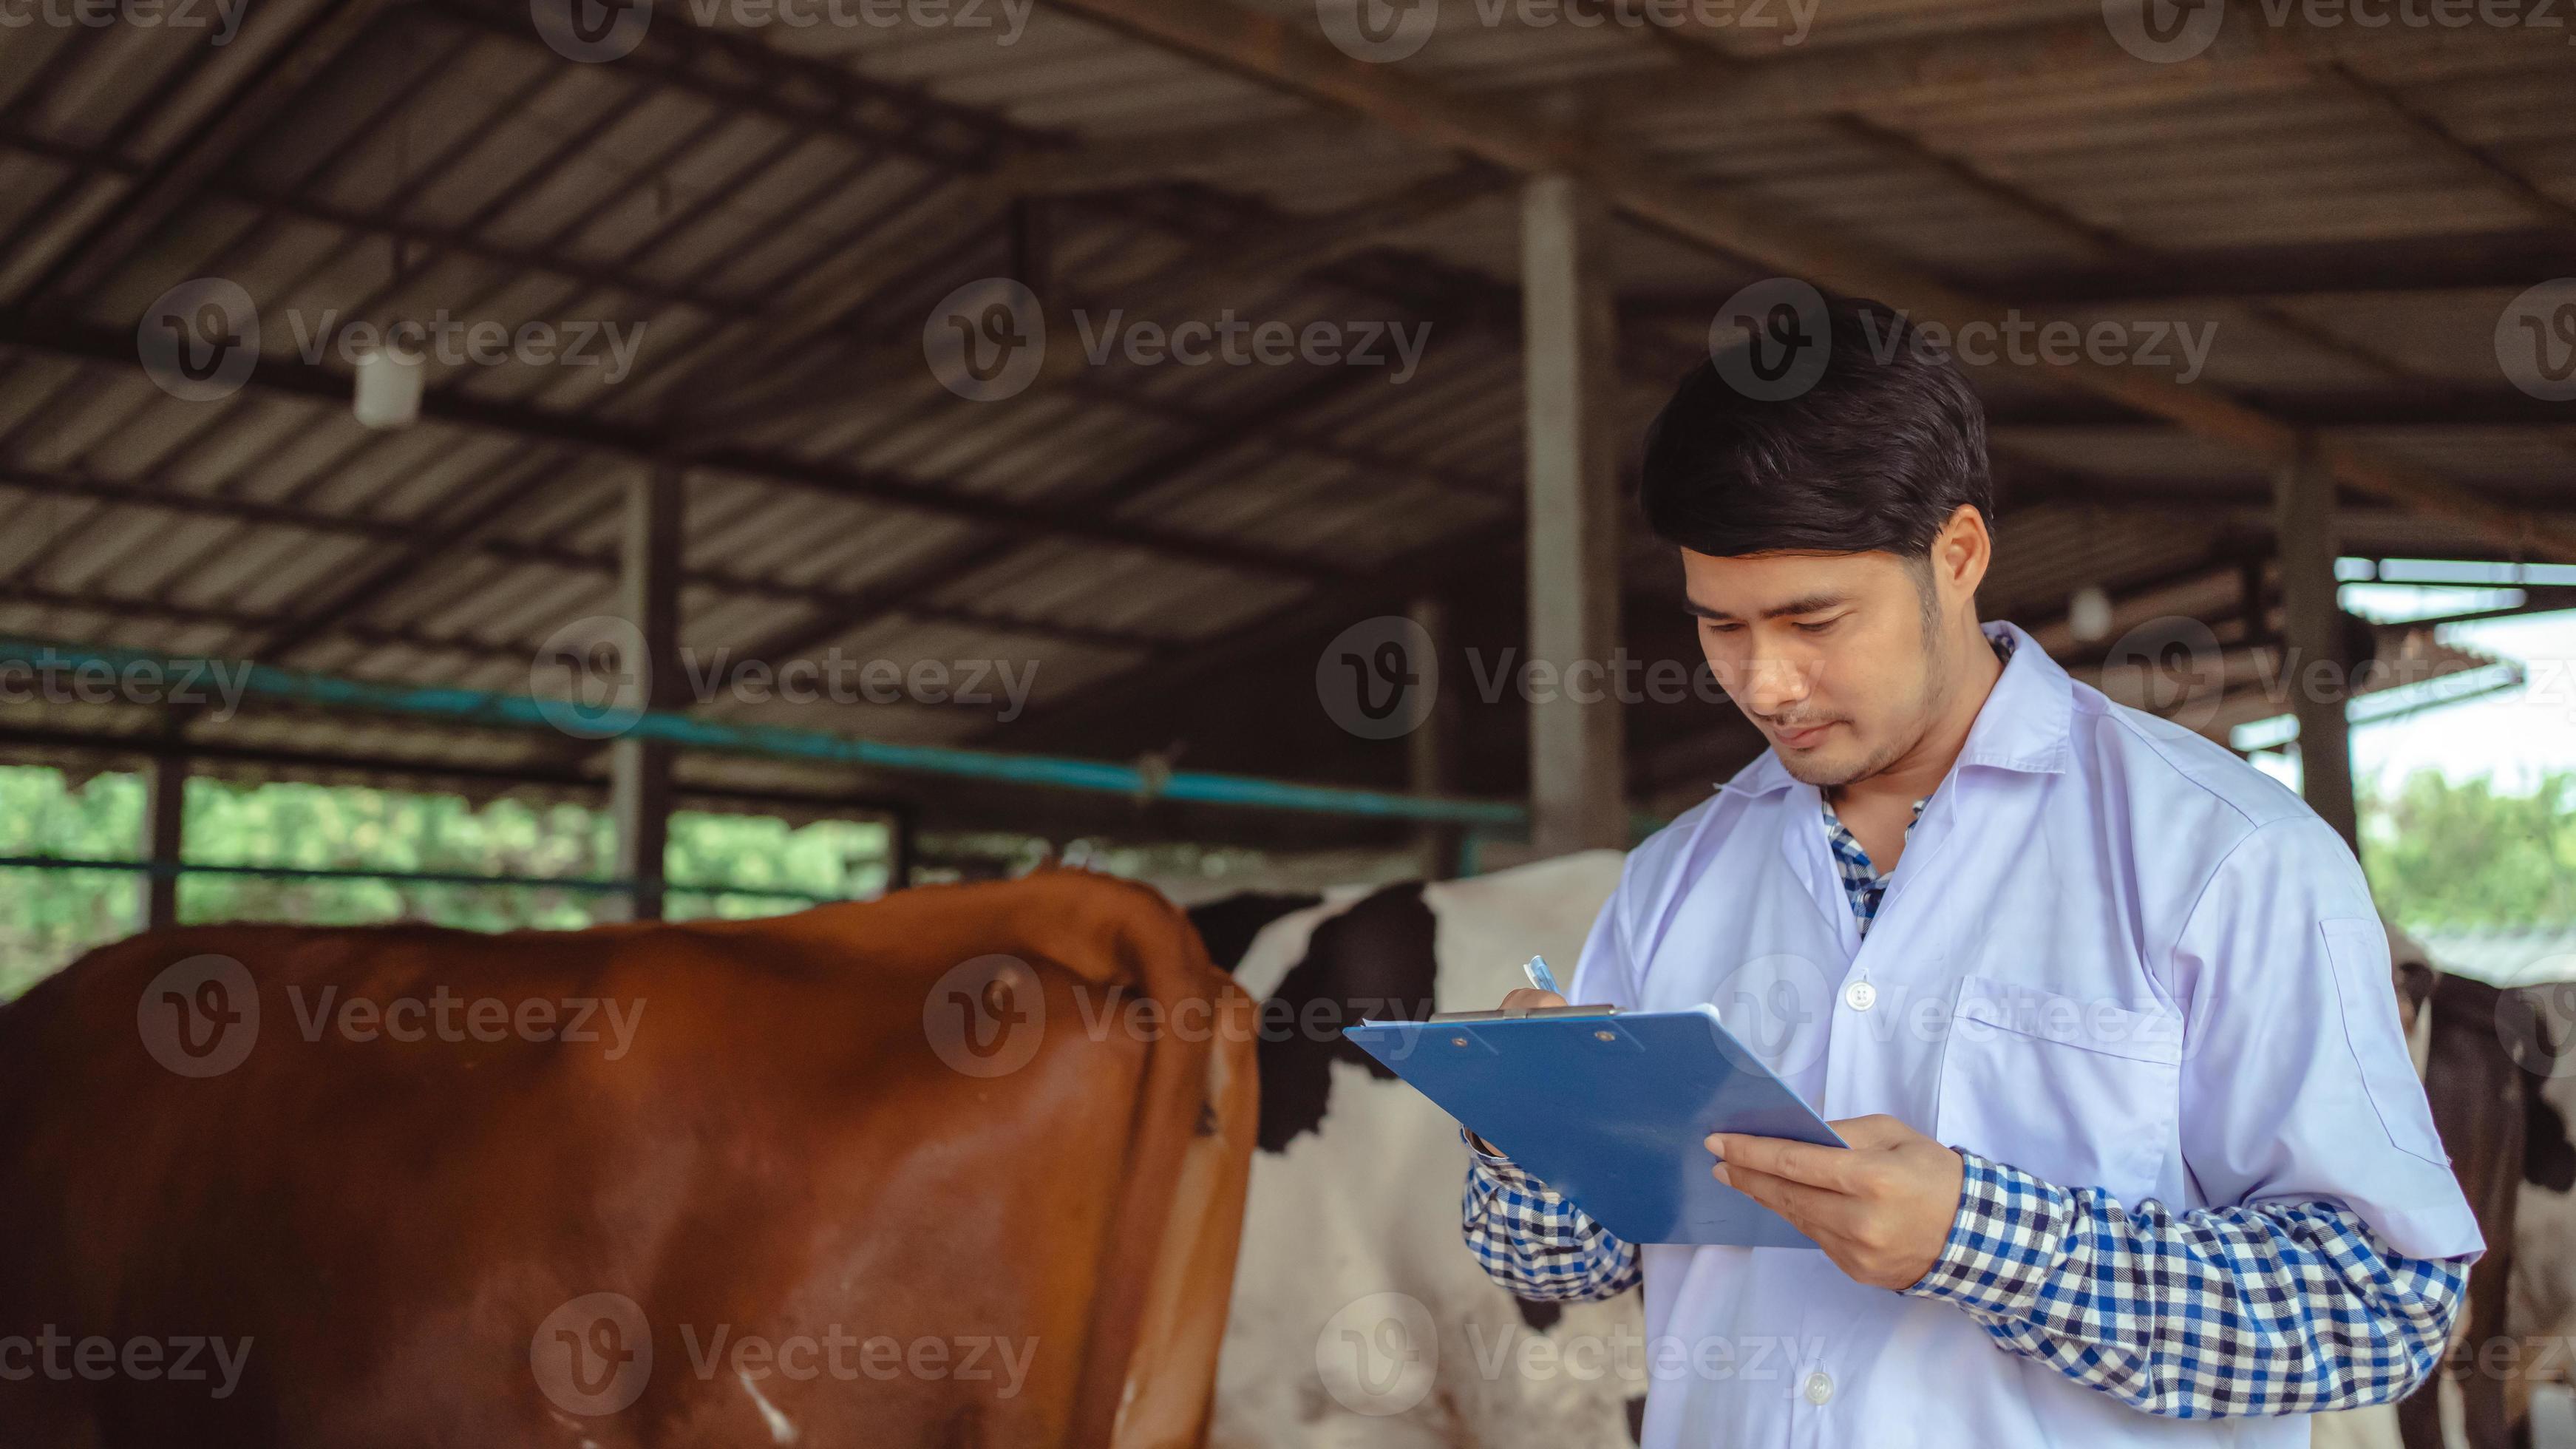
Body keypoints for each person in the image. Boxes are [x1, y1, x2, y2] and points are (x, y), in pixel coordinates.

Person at [1462, 295, 2478, 1447]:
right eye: (1720, 627)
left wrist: (1979, 1242)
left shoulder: (2225, 856)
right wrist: (1528, 1120)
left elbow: (2380, 1308)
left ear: (1956, 555)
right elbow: (1562, 1265)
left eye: (1812, 619)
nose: (1765, 684)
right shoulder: (1674, 878)